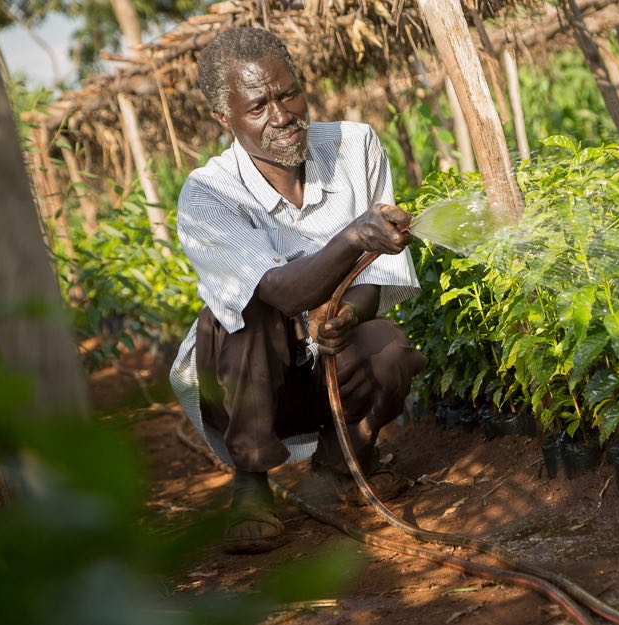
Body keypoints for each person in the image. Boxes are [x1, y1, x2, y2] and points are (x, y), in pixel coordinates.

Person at [169, 27, 427, 554]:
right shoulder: (210, 192)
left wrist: (345, 318)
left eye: (289, 93)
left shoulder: (355, 147)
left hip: (323, 373)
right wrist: (353, 233)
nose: (282, 114)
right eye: (258, 105)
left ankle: (340, 461)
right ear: (226, 119)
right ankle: (251, 482)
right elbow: (280, 294)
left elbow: (372, 280)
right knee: (246, 311)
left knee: (388, 349)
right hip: (243, 384)